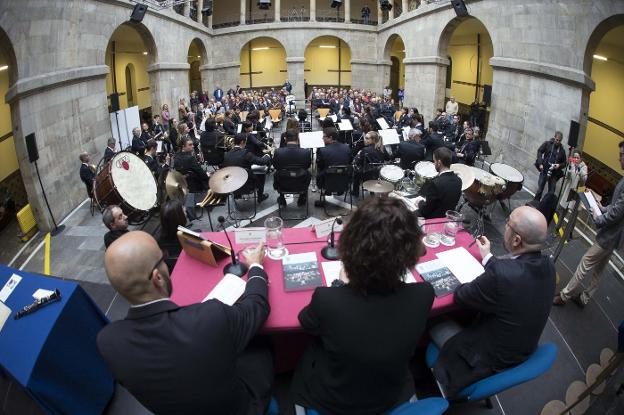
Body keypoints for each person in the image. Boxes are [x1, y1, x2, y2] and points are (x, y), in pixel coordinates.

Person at [96, 232, 272, 415]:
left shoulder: (107, 342)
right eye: (162, 258)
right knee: (261, 345)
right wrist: (256, 266)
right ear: (157, 277)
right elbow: (257, 307)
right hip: (241, 408)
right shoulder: (211, 317)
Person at [291, 197, 434, 414]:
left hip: (334, 398)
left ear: (350, 246)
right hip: (390, 393)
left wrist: (339, 285)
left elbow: (306, 322)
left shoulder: (328, 300)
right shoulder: (424, 294)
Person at [432, 206, 554, 397]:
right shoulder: (548, 266)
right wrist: (488, 257)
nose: (505, 226)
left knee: (434, 319)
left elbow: (461, 296)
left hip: (479, 358)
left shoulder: (502, 275)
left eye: (508, 224)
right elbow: (515, 275)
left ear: (516, 240)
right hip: (517, 353)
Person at [554, 141, 624, 308]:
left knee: (586, 262)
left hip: (610, 235)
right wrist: (603, 207)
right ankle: (585, 298)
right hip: (614, 237)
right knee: (599, 270)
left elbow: (618, 212)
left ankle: (564, 296)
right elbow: (617, 205)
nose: (619, 158)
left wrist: (598, 218)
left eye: (622, 155)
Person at [223, 133, 272, 203]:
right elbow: (262, 161)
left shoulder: (226, 154)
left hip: (232, 186)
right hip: (246, 185)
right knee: (261, 173)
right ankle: (260, 197)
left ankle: (237, 195)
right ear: (242, 142)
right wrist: (268, 154)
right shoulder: (246, 153)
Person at [416, 147, 462, 219]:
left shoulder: (435, 183)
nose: (434, 164)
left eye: (434, 161)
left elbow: (425, 211)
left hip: (433, 220)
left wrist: (420, 203)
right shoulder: (458, 180)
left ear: (439, 162)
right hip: (447, 218)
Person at [272, 129, 311, 207]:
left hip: (283, 184)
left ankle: (282, 198)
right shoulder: (306, 152)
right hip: (301, 184)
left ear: (285, 139)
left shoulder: (278, 152)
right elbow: (307, 166)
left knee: (277, 173)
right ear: (298, 139)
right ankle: (302, 197)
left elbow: (275, 166)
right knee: (307, 173)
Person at [315, 127, 351, 206]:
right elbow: (349, 162)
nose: (322, 138)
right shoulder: (347, 147)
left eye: (324, 136)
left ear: (330, 137)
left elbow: (320, 165)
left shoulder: (322, 150)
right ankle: (339, 190)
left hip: (327, 182)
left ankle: (327, 191)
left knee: (321, 171)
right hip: (344, 181)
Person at [534, 131, 567, 201]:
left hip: (554, 173)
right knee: (540, 189)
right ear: (554, 137)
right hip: (544, 170)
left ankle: (545, 206)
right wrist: (540, 163)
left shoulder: (562, 150)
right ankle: (535, 203)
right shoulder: (547, 144)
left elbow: (565, 163)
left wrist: (559, 165)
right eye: (556, 140)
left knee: (551, 192)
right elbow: (539, 151)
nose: (557, 142)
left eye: (559, 141)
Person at [352, 131, 387, 196]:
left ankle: (355, 192)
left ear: (373, 139)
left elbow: (356, 162)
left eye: (367, 138)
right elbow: (388, 158)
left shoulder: (365, 150)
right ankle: (372, 192)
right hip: (378, 174)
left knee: (356, 172)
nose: (365, 140)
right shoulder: (382, 149)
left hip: (366, 175)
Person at [157, 199, 187, 270]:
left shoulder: (159, 241)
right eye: (182, 209)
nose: (185, 209)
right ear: (178, 217)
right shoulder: (186, 239)